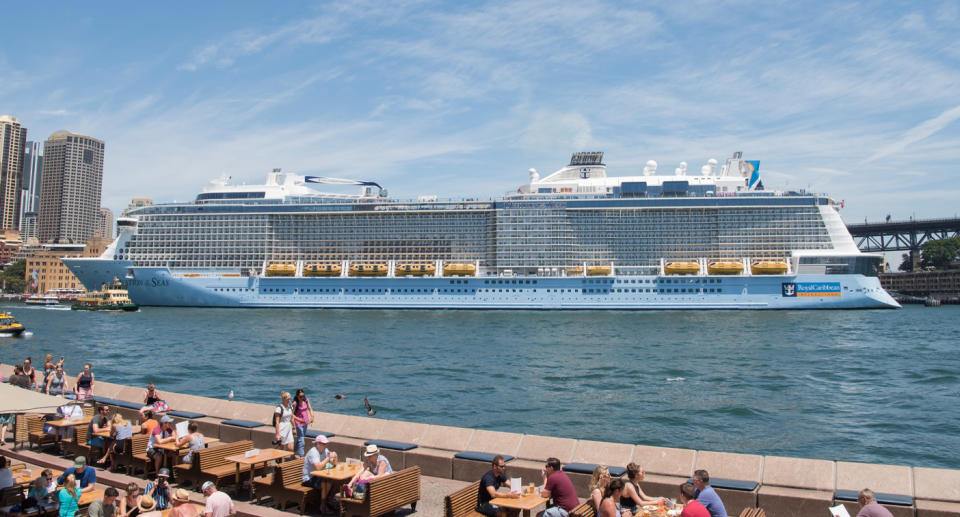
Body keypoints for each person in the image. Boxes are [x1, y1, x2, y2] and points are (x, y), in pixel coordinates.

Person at [301, 435, 339, 513]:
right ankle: (323, 505)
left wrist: (335, 457)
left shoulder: (325, 450)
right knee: (327, 481)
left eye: (326, 444)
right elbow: (318, 467)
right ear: (317, 444)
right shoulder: (313, 452)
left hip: (319, 476)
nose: (325, 445)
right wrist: (328, 458)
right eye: (323, 444)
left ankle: (329, 500)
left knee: (337, 481)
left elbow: (334, 464)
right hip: (309, 479)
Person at [292, 389, 314, 457]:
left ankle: (292, 453)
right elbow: (291, 414)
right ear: (297, 396)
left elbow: (310, 408)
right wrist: (299, 421)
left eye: (303, 396)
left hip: (305, 423)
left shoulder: (306, 400)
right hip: (298, 424)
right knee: (302, 440)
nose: (302, 398)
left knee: (299, 440)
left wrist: (312, 416)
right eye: (300, 396)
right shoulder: (295, 403)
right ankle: (302, 456)